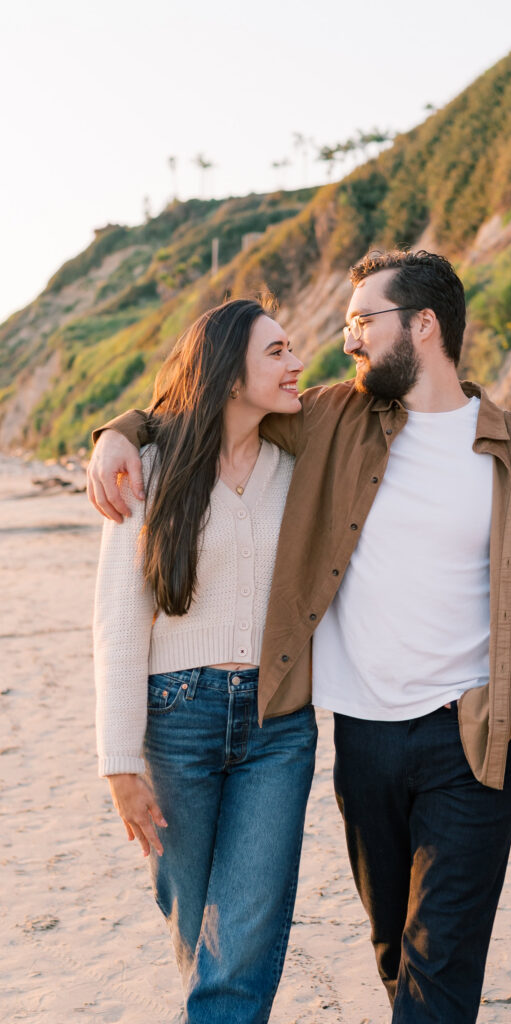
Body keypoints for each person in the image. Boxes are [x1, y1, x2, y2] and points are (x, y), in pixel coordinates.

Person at [89, 250, 511, 1023]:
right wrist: (118, 432)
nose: (346, 339)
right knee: (392, 947)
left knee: (442, 958)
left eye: (363, 321)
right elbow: (205, 408)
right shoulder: (335, 420)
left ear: (423, 326)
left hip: (472, 735)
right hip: (362, 736)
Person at [93, 298, 317, 1024]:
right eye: (277, 352)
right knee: (197, 932)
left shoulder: (299, 461)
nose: (296, 364)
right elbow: (119, 623)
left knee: (243, 938)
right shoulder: (150, 469)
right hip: (175, 724)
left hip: (277, 725)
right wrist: (119, 764)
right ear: (227, 375)